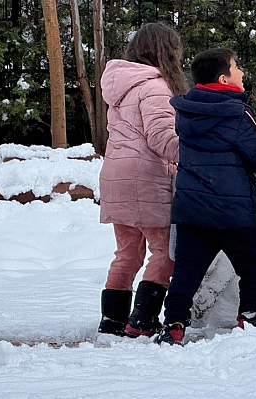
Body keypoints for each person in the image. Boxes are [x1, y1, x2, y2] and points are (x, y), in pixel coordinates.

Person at [153, 48, 256, 344]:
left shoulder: (186, 112)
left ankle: (174, 324)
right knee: (255, 267)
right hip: (233, 211)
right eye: (236, 66)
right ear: (224, 79)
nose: (241, 72)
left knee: (187, 273)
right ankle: (250, 317)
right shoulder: (237, 113)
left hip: (192, 209)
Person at [97, 22, 188, 338]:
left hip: (115, 178)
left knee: (127, 253)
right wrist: (198, 150)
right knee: (165, 252)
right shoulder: (154, 87)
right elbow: (162, 137)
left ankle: (112, 320)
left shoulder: (120, 87)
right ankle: (143, 319)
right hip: (145, 179)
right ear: (166, 51)